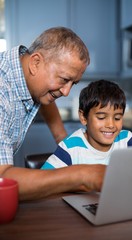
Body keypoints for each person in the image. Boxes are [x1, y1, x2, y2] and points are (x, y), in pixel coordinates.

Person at [0, 27, 106, 201]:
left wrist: (62, 139)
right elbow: (2, 179)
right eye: (64, 80)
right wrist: (83, 175)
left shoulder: (25, 75)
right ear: (35, 63)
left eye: (73, 83)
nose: (66, 92)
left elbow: (44, 96)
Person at [41, 79, 132, 169]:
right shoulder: (70, 148)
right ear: (83, 117)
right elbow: (44, 181)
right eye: (101, 117)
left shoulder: (127, 140)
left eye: (117, 118)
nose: (111, 125)